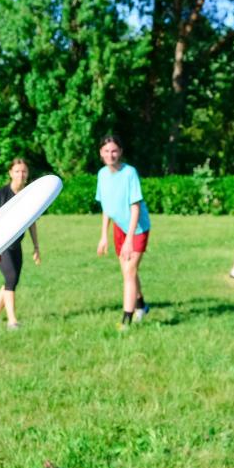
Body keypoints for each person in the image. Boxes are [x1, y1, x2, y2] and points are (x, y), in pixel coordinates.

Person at [95, 135, 150, 329]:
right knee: (128, 272)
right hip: (119, 227)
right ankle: (142, 305)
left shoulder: (129, 173)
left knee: (129, 272)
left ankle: (126, 321)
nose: (111, 155)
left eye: (114, 151)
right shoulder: (102, 174)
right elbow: (107, 208)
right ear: (101, 153)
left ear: (120, 152)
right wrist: (103, 236)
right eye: (107, 151)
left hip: (137, 228)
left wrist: (129, 239)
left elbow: (135, 207)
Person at [0, 158, 41, 329]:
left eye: (23, 171)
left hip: (17, 245)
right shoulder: (1, 194)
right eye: (17, 171)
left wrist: (36, 247)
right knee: (10, 278)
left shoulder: (29, 195)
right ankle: (12, 320)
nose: (20, 175)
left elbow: (32, 222)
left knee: (12, 281)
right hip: (1, 246)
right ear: (10, 173)